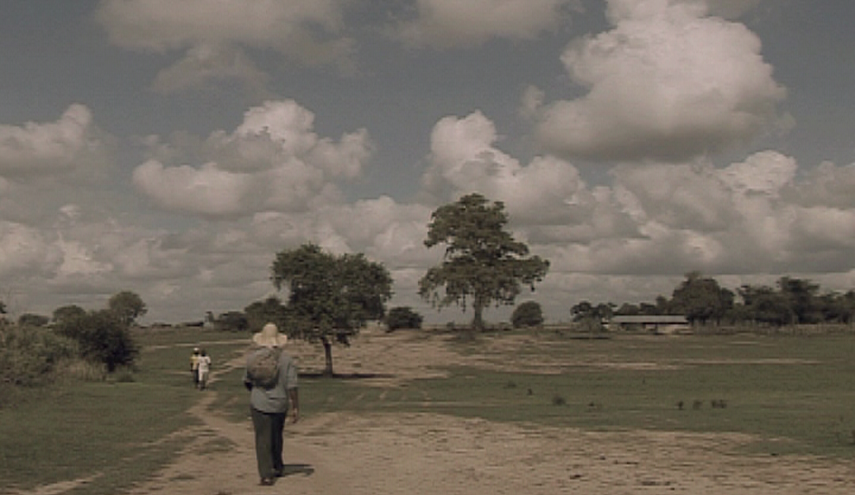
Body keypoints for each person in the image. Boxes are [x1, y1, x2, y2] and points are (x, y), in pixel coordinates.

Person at [244, 322, 299, 486]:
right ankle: (277, 465)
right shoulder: (287, 359)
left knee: (262, 438)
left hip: (259, 403)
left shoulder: (253, 358)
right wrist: (295, 406)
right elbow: (292, 386)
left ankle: (266, 474)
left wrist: (257, 392)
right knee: (276, 435)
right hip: (280, 403)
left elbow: (247, 381)